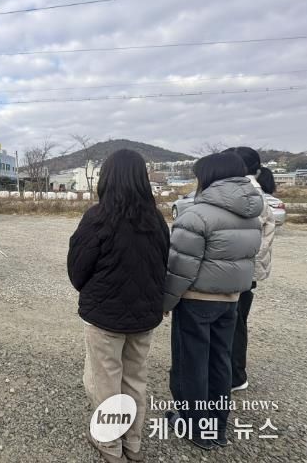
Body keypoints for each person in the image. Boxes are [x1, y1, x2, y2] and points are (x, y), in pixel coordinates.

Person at [67, 149, 170, 463]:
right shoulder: (156, 220)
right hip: (144, 317)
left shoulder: (98, 217)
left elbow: (77, 270)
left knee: (105, 382)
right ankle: (133, 443)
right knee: (135, 380)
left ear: (107, 178)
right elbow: (162, 266)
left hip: (105, 318)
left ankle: (110, 445)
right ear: (142, 179)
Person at [164, 152, 263, 451]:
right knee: (220, 362)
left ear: (208, 177)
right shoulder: (252, 214)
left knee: (192, 364)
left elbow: (180, 269)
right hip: (231, 300)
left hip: (196, 301)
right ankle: (217, 426)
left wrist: (166, 303)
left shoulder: (196, 216)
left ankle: (195, 426)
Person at [223, 147, 276, 392]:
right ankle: (234, 372)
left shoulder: (247, 194)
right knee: (237, 321)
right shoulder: (253, 192)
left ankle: (235, 375)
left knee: (233, 323)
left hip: (239, 270)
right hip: (246, 270)